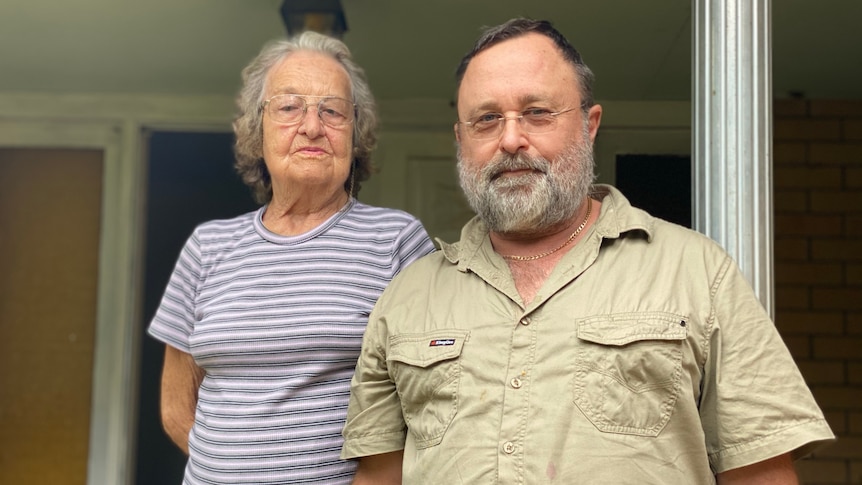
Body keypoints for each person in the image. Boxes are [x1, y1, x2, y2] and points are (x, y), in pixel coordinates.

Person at [340, 18, 835, 484]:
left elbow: (760, 471)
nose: (511, 139)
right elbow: (379, 475)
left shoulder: (696, 271)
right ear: (461, 139)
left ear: (589, 124)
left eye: (537, 112)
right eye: (487, 119)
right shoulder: (408, 295)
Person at [148, 30, 435, 484]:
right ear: (257, 127)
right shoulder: (208, 247)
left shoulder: (396, 241)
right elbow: (175, 405)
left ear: (354, 133)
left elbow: (429, 402)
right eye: (288, 107)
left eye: (332, 110)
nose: (312, 126)